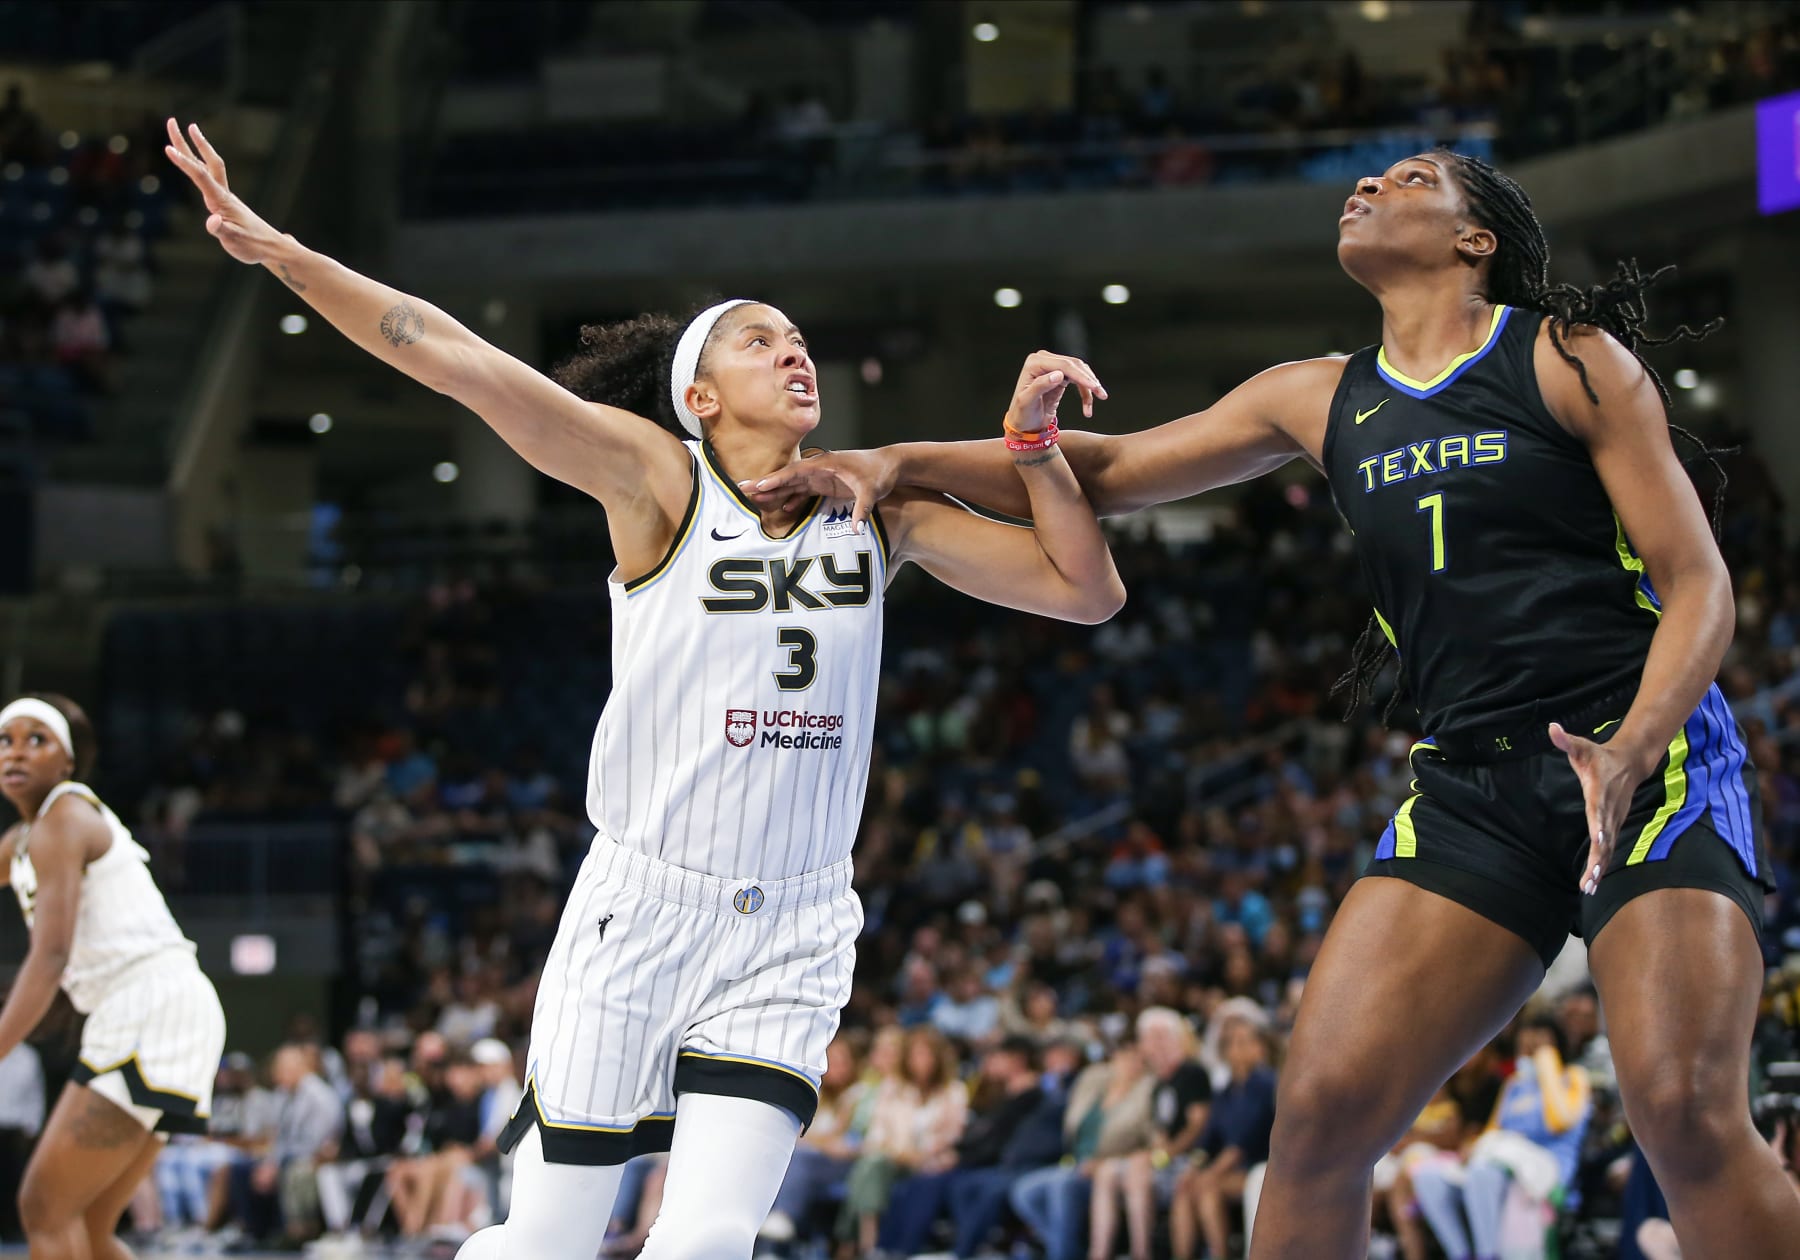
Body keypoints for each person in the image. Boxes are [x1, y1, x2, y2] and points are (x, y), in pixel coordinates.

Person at [750, 148, 1800, 1257]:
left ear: (1475, 238)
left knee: (1682, 1113)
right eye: (1365, 182)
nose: (1368, 189)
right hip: (1468, 792)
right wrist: (896, 458)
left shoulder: (1566, 360)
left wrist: (1633, 746)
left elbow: (1697, 583)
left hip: (1648, 758)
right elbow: (1108, 471)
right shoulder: (1318, 393)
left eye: (1409, 179)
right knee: (1318, 1127)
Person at [163, 115, 1122, 1260]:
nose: (791, 350)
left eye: (798, 337)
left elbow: (1085, 591)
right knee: (550, 1239)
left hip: (800, 921)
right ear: (700, 399)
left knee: (710, 1241)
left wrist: (1032, 449)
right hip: (643, 905)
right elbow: (459, 358)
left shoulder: (883, 514)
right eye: (759, 342)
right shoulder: (657, 481)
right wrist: (285, 253)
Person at [0, 692, 229, 1259]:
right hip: (160, 1007)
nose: (17, 752)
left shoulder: (65, 814)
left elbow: (49, 957)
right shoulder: (26, 839)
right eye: (5, 740)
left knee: (44, 1206)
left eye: (37, 739)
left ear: (68, 761)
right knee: (91, 1227)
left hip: (150, 1002)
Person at [1410, 1014, 1592, 1260]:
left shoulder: (1573, 1077)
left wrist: (1546, 1064)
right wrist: (1471, 1147)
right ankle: (1461, 1253)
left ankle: (1488, 1254)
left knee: (1482, 1172)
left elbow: (1558, 1121)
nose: (1529, 1054)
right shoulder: (1514, 1084)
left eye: (1536, 1048)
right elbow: (1494, 1131)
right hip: (1505, 1162)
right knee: (1428, 1175)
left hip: (1547, 1168)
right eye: (1525, 1048)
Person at [1174, 1020, 1277, 1260]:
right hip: (1227, 1169)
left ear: (1260, 1048)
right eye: (1230, 1043)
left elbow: (1245, 1141)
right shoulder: (1224, 1092)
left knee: (1207, 1186)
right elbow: (1207, 1140)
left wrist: (1211, 1173)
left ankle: (1220, 1255)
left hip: (1260, 1167)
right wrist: (1194, 1167)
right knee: (1184, 1188)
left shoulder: (1267, 1085)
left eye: (1243, 1042)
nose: (1236, 1049)